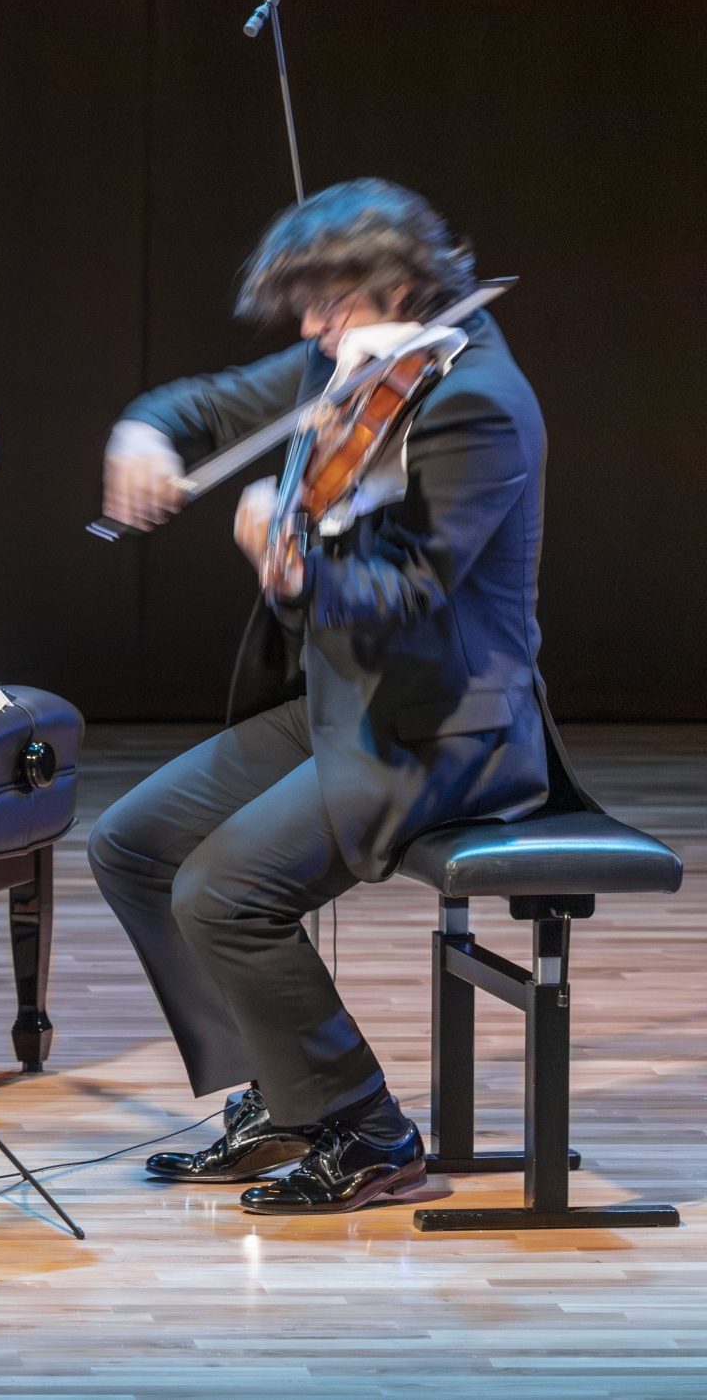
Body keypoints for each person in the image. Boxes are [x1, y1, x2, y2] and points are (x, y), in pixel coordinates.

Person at [89, 178, 562, 1215]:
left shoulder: (477, 400)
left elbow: (415, 592)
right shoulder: (341, 358)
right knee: (129, 843)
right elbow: (203, 403)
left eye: (327, 302)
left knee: (220, 891)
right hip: (340, 697)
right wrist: (144, 433)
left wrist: (297, 570)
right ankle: (282, 1093)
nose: (311, 329)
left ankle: (365, 1129)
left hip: (442, 723)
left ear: (395, 282)